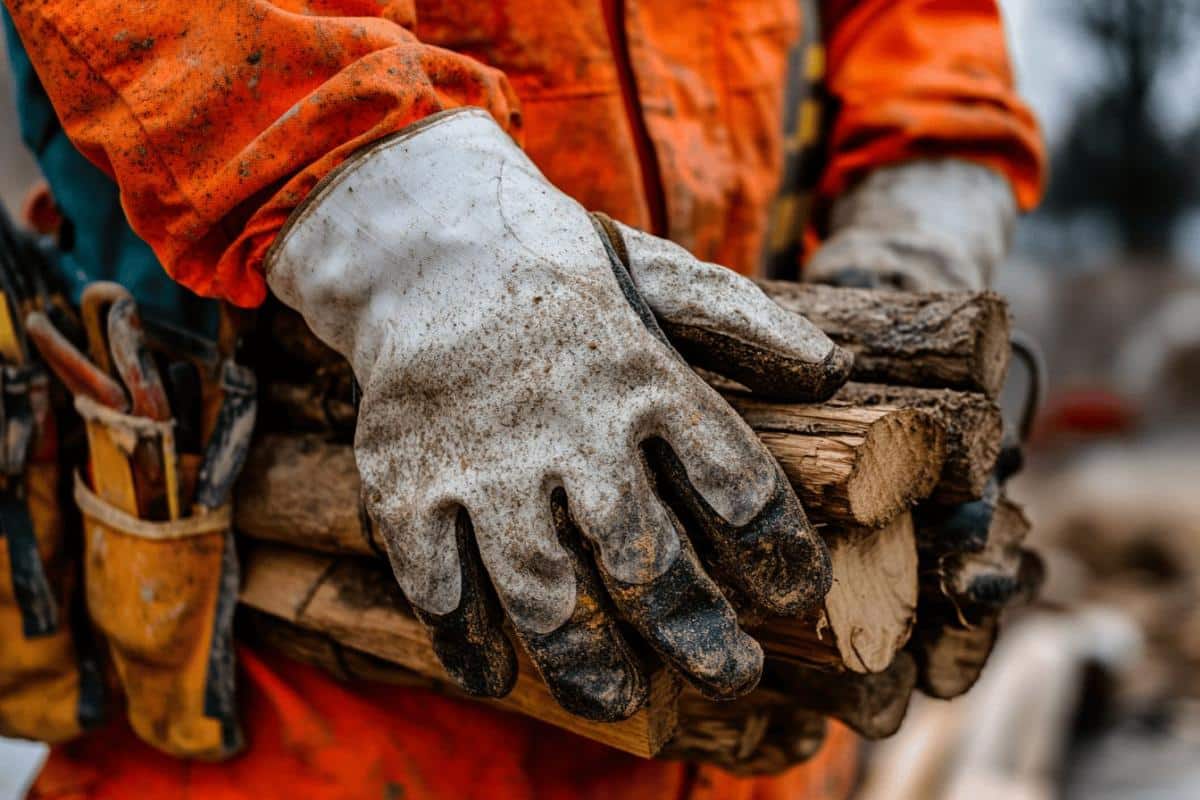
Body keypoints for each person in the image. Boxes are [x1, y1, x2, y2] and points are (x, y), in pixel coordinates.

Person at [3, 1, 1043, 798]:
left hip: (756, 697)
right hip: (296, 708)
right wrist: (413, 237)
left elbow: (922, 48)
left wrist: (894, 299)